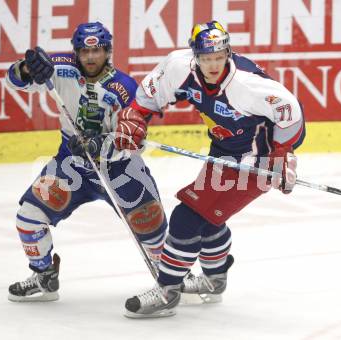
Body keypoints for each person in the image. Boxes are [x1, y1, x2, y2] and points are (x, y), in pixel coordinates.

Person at [122, 20, 306, 318]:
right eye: (206, 58)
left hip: (255, 160)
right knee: (209, 218)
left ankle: (168, 290)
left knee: (187, 217)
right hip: (223, 153)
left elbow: (290, 111)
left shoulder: (247, 85)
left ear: (228, 53)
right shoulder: (178, 66)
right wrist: (135, 118)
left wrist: (282, 155)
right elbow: (147, 98)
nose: (213, 65)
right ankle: (214, 280)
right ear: (195, 55)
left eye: (219, 57)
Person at [5, 22, 168, 302]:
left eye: (97, 50)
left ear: (108, 51)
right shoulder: (59, 67)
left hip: (121, 170)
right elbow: (14, 81)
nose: (91, 57)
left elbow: (133, 140)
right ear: (76, 51)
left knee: (152, 231)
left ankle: (173, 280)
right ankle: (44, 276)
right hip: (71, 166)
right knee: (28, 219)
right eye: (84, 51)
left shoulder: (125, 87)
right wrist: (25, 69)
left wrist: (103, 145)